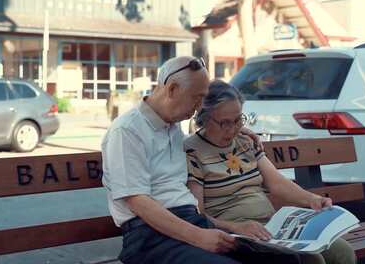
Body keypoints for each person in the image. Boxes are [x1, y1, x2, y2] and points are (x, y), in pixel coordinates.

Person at [102, 56, 300, 264]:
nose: (198, 108)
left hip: (192, 221)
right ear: (172, 89)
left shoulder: (171, 126)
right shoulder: (127, 131)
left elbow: (201, 140)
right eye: (196, 98)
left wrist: (236, 130)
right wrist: (198, 236)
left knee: (286, 260)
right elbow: (138, 203)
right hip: (149, 236)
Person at [185, 80, 357, 264]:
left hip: (271, 226)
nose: (232, 129)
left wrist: (312, 200)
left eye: (237, 120)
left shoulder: (245, 141)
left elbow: (276, 182)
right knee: (311, 260)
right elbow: (198, 213)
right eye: (224, 123)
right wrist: (236, 227)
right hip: (236, 234)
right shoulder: (192, 152)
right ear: (204, 118)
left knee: (343, 252)